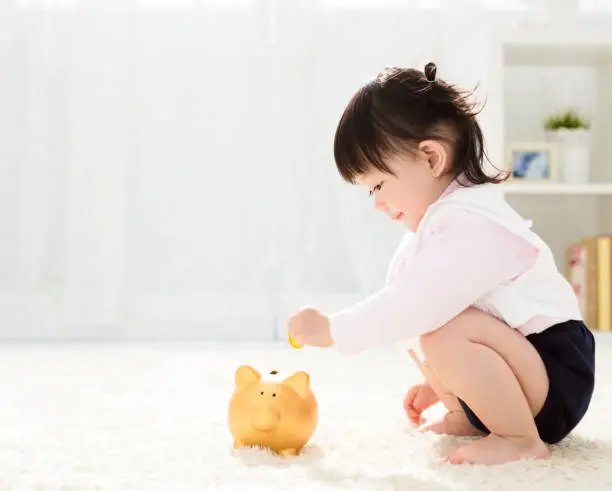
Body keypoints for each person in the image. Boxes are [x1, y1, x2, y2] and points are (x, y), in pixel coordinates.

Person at [287, 62, 595, 466]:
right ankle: (472, 413)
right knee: (429, 333)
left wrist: (333, 330)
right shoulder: (443, 224)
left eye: (378, 185)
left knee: (437, 329)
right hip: (527, 364)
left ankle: (519, 438)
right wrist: (444, 383)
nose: (378, 203)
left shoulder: (471, 221)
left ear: (431, 158)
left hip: (556, 373)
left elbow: (413, 304)